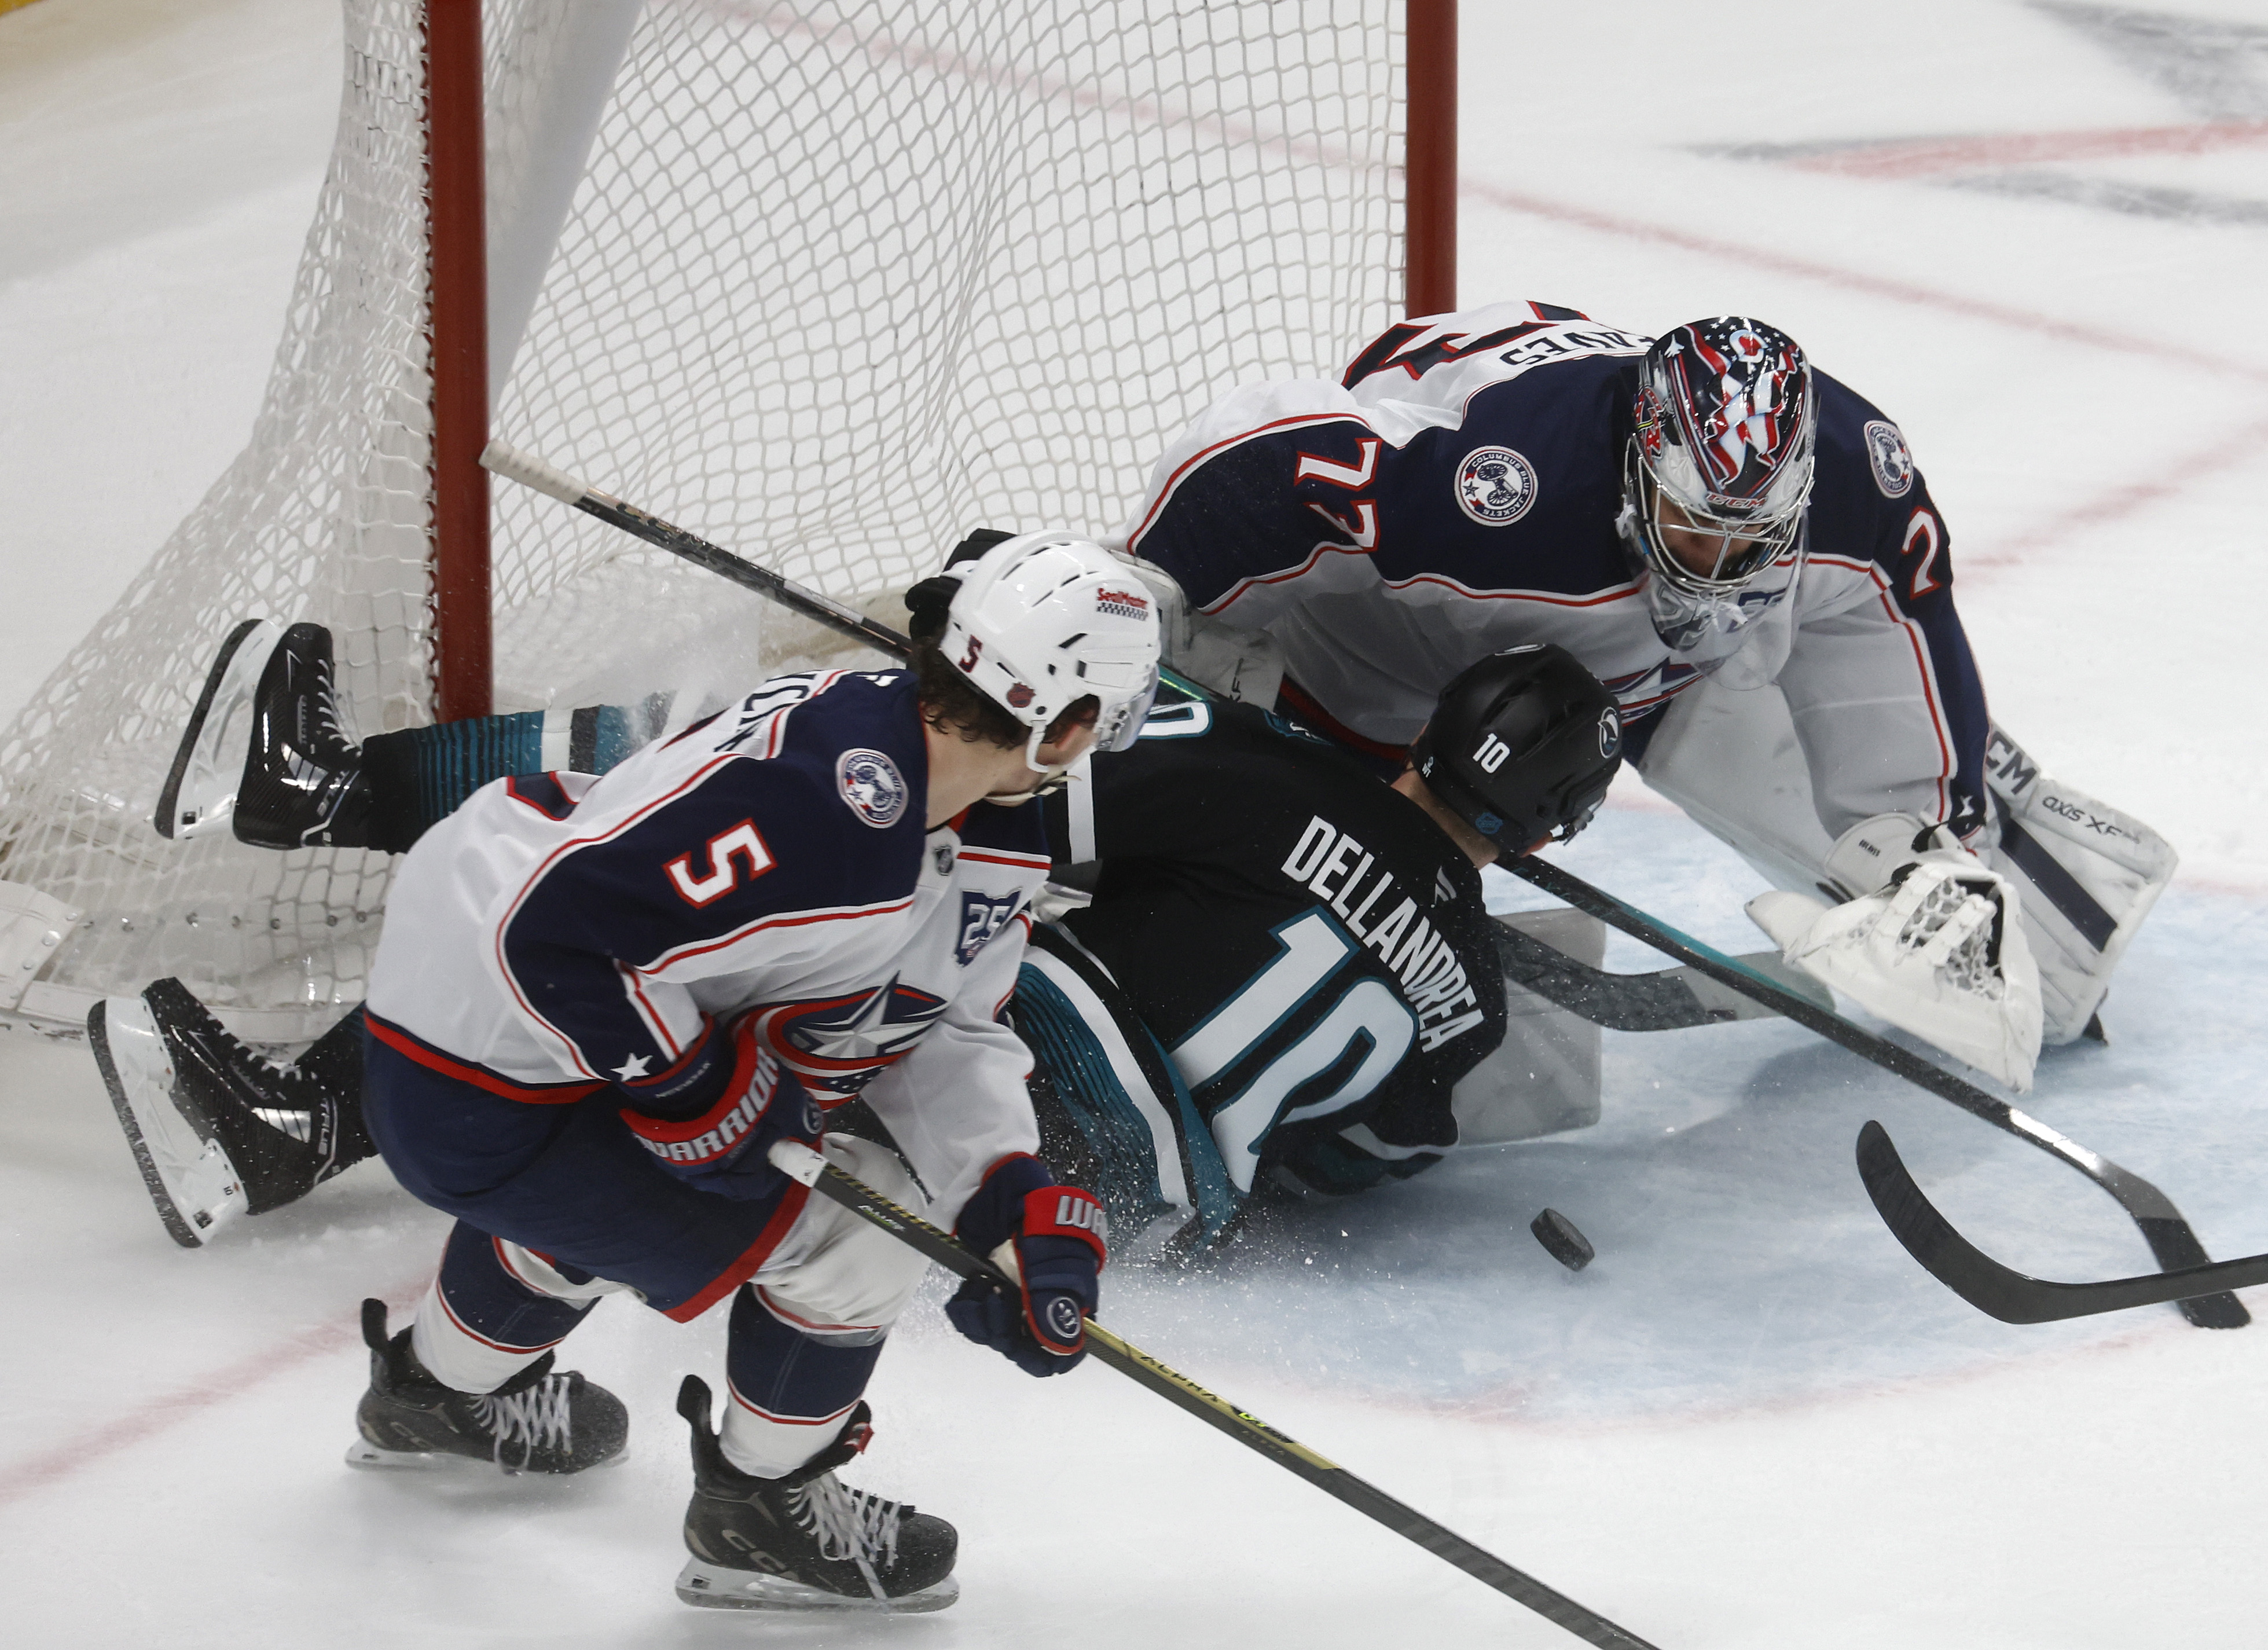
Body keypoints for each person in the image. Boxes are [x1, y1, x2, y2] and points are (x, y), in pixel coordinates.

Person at [94, 574, 1628, 1262]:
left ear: (1427, 733)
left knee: (730, 808)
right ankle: (311, 1106)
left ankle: (328, 804)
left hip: (1020, 1064)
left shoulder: (1263, 778)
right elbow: (1345, 1161)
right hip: (1126, 1207)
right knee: (771, 938)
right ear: (1551, 829)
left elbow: (1013, 805)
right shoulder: (1474, 1005)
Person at [333, 530, 1150, 1612]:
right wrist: (692, 1095)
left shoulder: (968, 807)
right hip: (475, 1062)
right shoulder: (828, 810)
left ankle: (436, 1398)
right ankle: (761, 1515)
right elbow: (554, 939)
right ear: (1073, 720)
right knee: (856, 1235)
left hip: (520, 1018)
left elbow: (940, 1024)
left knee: (625, 1193)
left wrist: (1009, 1191)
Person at [1114, 303, 2177, 1091]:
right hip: (1369, 654)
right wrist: (1146, 599)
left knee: (1966, 904)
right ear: (1640, 465)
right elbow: (1272, 466)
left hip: (1653, 671)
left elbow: (1892, 626)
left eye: (1751, 538)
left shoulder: (1854, 477)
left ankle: (2035, 888)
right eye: (1696, 529)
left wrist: (1931, 841)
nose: (1720, 566)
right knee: (1221, 824)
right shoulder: (1494, 485)